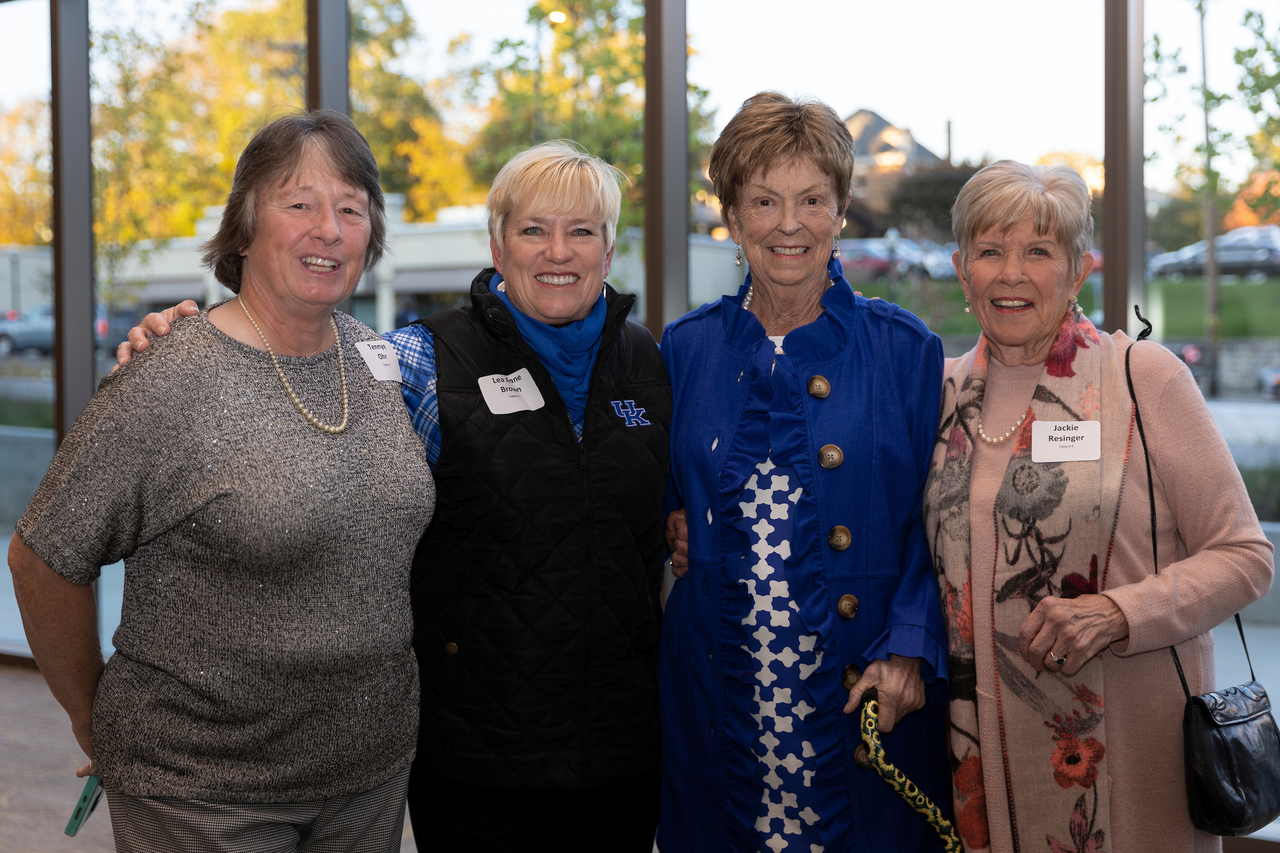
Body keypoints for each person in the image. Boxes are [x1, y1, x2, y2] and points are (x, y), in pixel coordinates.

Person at [117, 140, 671, 852]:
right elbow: (289, 386)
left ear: (608, 247)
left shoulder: (647, 359)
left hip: (622, 755)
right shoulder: (415, 361)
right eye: (533, 229)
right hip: (477, 759)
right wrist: (178, 343)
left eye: (582, 230)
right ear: (500, 247)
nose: (557, 251)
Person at [9, 110, 435, 852]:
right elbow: (43, 555)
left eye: (350, 209)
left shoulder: (381, 362)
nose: (328, 230)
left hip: (367, 775)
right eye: (299, 204)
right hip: (204, 792)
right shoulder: (170, 373)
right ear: (243, 228)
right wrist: (92, 715)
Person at [924, 160, 1274, 852]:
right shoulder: (938, 393)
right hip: (981, 764)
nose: (1012, 273)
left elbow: (1246, 555)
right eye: (990, 251)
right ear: (964, 274)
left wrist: (1119, 611)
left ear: (1078, 269)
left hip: (1133, 765)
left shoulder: (1141, 379)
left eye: (1038, 251)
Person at [658, 91, 952, 852]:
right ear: (730, 215)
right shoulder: (684, 349)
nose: (789, 224)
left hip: (860, 698)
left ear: (842, 210)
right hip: (722, 699)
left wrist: (910, 647)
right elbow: (657, 493)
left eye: (812, 199)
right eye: (764, 200)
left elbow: (941, 519)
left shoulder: (904, 349)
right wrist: (670, 520)